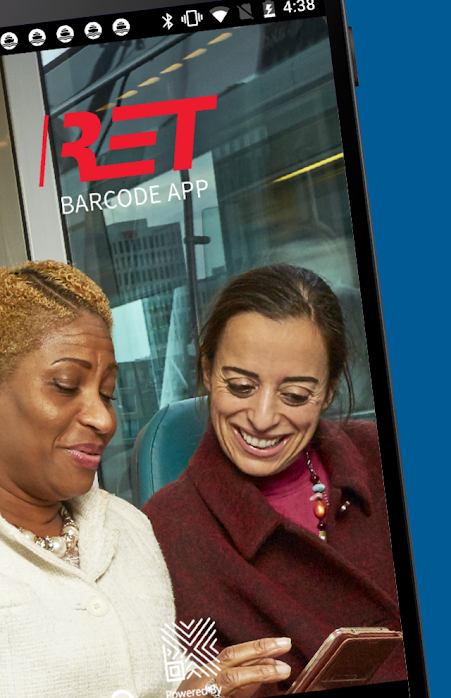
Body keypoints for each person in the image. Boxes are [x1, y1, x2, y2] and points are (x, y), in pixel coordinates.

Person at [0, 260, 292, 698]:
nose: (104, 419)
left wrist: (205, 689)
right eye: (66, 385)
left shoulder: (131, 527)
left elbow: (169, 678)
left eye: (107, 394)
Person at [144, 265, 407, 696]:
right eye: (240, 386)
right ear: (207, 371)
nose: (263, 418)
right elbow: (180, 681)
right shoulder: (166, 530)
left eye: (295, 395)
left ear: (329, 390)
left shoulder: (384, 455)